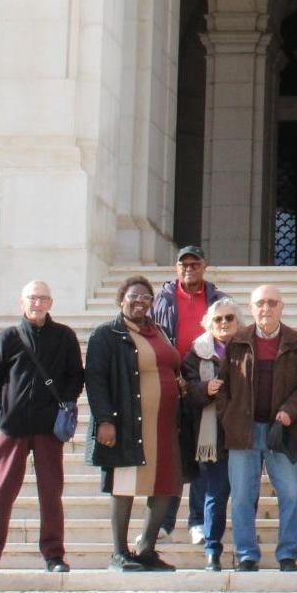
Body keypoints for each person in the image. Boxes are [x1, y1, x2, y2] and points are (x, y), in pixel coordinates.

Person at [0, 280, 84, 574]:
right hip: (13, 426)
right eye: (32, 298)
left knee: (51, 492)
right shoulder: (8, 338)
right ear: (22, 302)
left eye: (43, 298)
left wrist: (65, 403)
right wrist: (0, 413)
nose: (37, 303)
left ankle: (54, 555)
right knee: (3, 491)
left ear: (50, 303)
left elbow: (75, 376)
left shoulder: (64, 336)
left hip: (47, 427)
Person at [216, 284, 297, 571]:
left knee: (290, 494)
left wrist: (290, 410)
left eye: (273, 303)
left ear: (282, 307)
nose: (266, 309)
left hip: (283, 432)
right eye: (261, 303)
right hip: (243, 432)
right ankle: (247, 555)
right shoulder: (237, 341)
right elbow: (222, 385)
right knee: (241, 497)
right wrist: (229, 416)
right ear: (251, 309)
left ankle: (287, 554)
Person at [84, 275, 185, 571]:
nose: (140, 302)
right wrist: (104, 420)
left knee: (165, 484)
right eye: (133, 297)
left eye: (146, 298)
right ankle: (119, 552)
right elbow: (96, 380)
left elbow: (173, 366)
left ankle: (146, 549)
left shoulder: (162, 332)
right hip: (128, 421)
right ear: (121, 300)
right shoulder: (106, 334)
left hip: (166, 423)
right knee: (125, 482)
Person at [150, 245, 227, 545]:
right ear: (176, 268)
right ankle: (165, 520)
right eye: (184, 265)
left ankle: (197, 519)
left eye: (194, 264)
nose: (189, 269)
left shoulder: (218, 300)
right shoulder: (163, 299)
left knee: (203, 452)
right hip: (172, 383)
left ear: (204, 266)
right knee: (172, 453)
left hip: (204, 382)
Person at [180, 297, 240, 571]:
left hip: (245, 432)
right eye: (218, 319)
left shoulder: (248, 347)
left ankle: (245, 551)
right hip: (212, 434)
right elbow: (187, 390)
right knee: (215, 494)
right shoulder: (197, 352)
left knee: (244, 494)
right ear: (209, 324)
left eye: (229, 318)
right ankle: (212, 551)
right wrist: (205, 389)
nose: (224, 323)